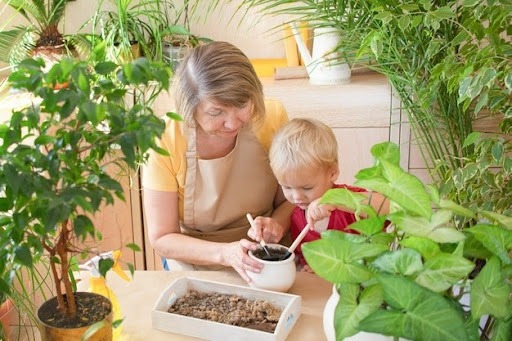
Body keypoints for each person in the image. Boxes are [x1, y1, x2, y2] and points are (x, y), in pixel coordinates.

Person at [141, 41, 294, 282]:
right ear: (189, 109)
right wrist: (225, 253)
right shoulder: (163, 141)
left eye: (242, 106)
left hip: (264, 252)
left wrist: (277, 224)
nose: (232, 123)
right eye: (216, 112)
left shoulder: (272, 117)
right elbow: (162, 238)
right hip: (197, 256)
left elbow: (289, 200)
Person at [269, 118, 389, 272]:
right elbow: (308, 260)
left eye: (307, 188)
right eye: (287, 187)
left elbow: (390, 205)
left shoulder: (347, 198)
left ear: (332, 172)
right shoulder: (296, 217)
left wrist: (337, 201)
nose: (297, 197)